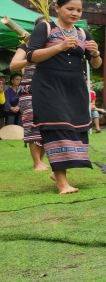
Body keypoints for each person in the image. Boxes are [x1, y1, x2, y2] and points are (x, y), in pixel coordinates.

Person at [25, 0, 102, 194]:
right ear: (57, 8)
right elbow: (31, 55)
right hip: (48, 86)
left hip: (75, 87)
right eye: (70, 9)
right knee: (57, 127)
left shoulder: (83, 33)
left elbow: (95, 64)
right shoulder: (45, 28)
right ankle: (62, 183)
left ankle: (58, 171)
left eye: (79, 10)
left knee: (75, 127)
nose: (75, 13)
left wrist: (95, 53)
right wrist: (59, 46)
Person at [9, 16, 49, 171]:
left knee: (47, 124)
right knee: (32, 123)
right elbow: (13, 65)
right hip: (29, 90)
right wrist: (31, 58)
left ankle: (41, 160)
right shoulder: (26, 46)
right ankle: (36, 162)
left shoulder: (54, 45)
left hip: (48, 89)